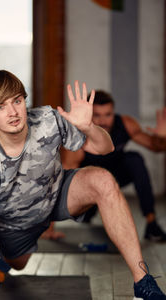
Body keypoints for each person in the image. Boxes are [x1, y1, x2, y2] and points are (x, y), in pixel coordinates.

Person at [0, 70, 165, 299]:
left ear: (24, 100)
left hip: (56, 194)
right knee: (18, 264)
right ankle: (5, 255)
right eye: (0, 107)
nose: (12, 112)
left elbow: (105, 148)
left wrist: (89, 126)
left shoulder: (48, 120)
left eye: (17, 101)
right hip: (14, 223)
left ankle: (143, 282)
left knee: (103, 180)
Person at [61, 90, 166, 242]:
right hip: (89, 185)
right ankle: (88, 214)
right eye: (97, 115)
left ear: (113, 112)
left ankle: (151, 223)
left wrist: (162, 138)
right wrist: (47, 226)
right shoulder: (78, 136)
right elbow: (62, 180)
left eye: (108, 114)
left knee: (134, 159)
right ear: (89, 114)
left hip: (115, 176)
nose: (103, 121)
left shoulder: (125, 124)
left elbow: (155, 147)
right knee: (85, 216)